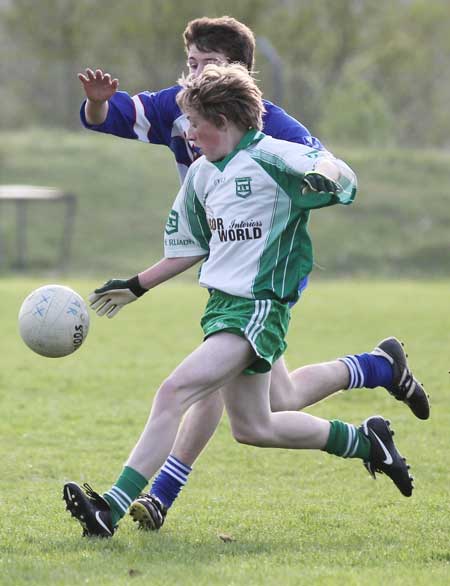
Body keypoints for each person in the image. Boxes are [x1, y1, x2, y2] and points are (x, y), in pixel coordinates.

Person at [76, 16, 429, 531]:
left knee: (178, 391)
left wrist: (318, 179)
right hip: (225, 293)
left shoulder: (273, 146)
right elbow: (189, 242)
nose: (187, 133)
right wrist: (136, 285)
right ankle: (369, 417)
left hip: (261, 298)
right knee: (259, 420)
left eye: (196, 122)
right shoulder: (200, 170)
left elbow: (337, 175)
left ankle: (117, 504)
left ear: (228, 104)